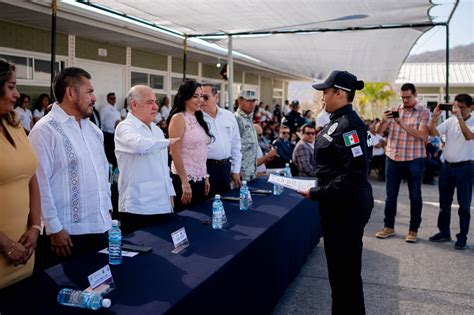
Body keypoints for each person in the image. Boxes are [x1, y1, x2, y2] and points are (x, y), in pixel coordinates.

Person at [298, 70, 373, 314]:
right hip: (338, 207)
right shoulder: (337, 121)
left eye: (325, 92)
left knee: (345, 276)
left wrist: (317, 192)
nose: (322, 97)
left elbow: (354, 175)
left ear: (339, 93)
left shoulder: (350, 126)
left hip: (346, 209)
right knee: (340, 276)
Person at [29, 67, 112, 267]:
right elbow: (39, 184)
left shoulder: (94, 131)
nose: (94, 98)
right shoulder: (45, 130)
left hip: (100, 229)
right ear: (70, 93)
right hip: (66, 237)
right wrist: (55, 228)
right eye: (89, 92)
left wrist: (108, 212)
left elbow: (102, 175)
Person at [114, 85, 179, 235]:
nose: (155, 107)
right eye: (149, 102)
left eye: (155, 102)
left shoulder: (156, 129)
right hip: (138, 207)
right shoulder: (124, 127)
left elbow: (164, 168)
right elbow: (140, 145)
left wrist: (170, 193)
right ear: (134, 105)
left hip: (162, 204)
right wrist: (168, 142)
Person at [0, 59, 42, 288]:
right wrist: (5, 243)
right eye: (11, 87)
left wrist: (35, 227)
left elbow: (31, 177)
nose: (17, 94)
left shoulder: (14, 125)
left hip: (24, 250)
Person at [375, 83, 430, 243]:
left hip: (414, 159)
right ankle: (388, 227)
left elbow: (422, 135)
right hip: (393, 158)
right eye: (403, 97)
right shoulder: (394, 110)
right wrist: (383, 121)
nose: (405, 100)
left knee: (415, 196)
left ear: (415, 95)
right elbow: (379, 132)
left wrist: (401, 123)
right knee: (390, 196)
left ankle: (413, 230)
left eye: (408, 97)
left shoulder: (423, 112)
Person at [428, 94, 474, 250]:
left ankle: (462, 237)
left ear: (471, 107)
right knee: (444, 203)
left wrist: (460, 118)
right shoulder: (449, 121)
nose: (458, 110)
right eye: (457, 106)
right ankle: (444, 232)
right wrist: (434, 118)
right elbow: (433, 133)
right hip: (447, 167)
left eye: (462, 107)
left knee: (464, 205)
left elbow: (469, 136)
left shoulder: (472, 120)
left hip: (465, 168)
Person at [168, 80, 212, 212]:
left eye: (201, 96)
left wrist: (205, 176)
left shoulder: (199, 118)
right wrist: (185, 182)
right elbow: (175, 153)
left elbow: (201, 150)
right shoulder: (178, 118)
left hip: (200, 178)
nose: (200, 100)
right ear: (185, 97)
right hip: (184, 179)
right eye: (195, 96)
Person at [201, 83, 242, 197]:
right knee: (206, 206)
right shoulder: (197, 118)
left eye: (205, 97)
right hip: (206, 168)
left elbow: (235, 144)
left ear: (216, 97)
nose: (202, 101)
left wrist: (236, 170)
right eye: (199, 97)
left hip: (225, 168)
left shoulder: (228, 116)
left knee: (226, 203)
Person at [235, 90, 258, 182]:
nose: (252, 104)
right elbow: (233, 147)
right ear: (239, 102)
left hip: (251, 172)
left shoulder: (248, 118)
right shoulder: (236, 119)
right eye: (248, 101)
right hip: (241, 174)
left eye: (253, 101)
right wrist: (235, 170)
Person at [100, 92, 121, 168]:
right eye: (111, 98)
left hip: (115, 133)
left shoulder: (115, 108)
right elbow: (101, 120)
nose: (113, 100)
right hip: (107, 134)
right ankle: (111, 168)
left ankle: (115, 167)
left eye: (114, 98)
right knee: (110, 152)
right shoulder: (105, 108)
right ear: (107, 99)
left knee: (115, 151)